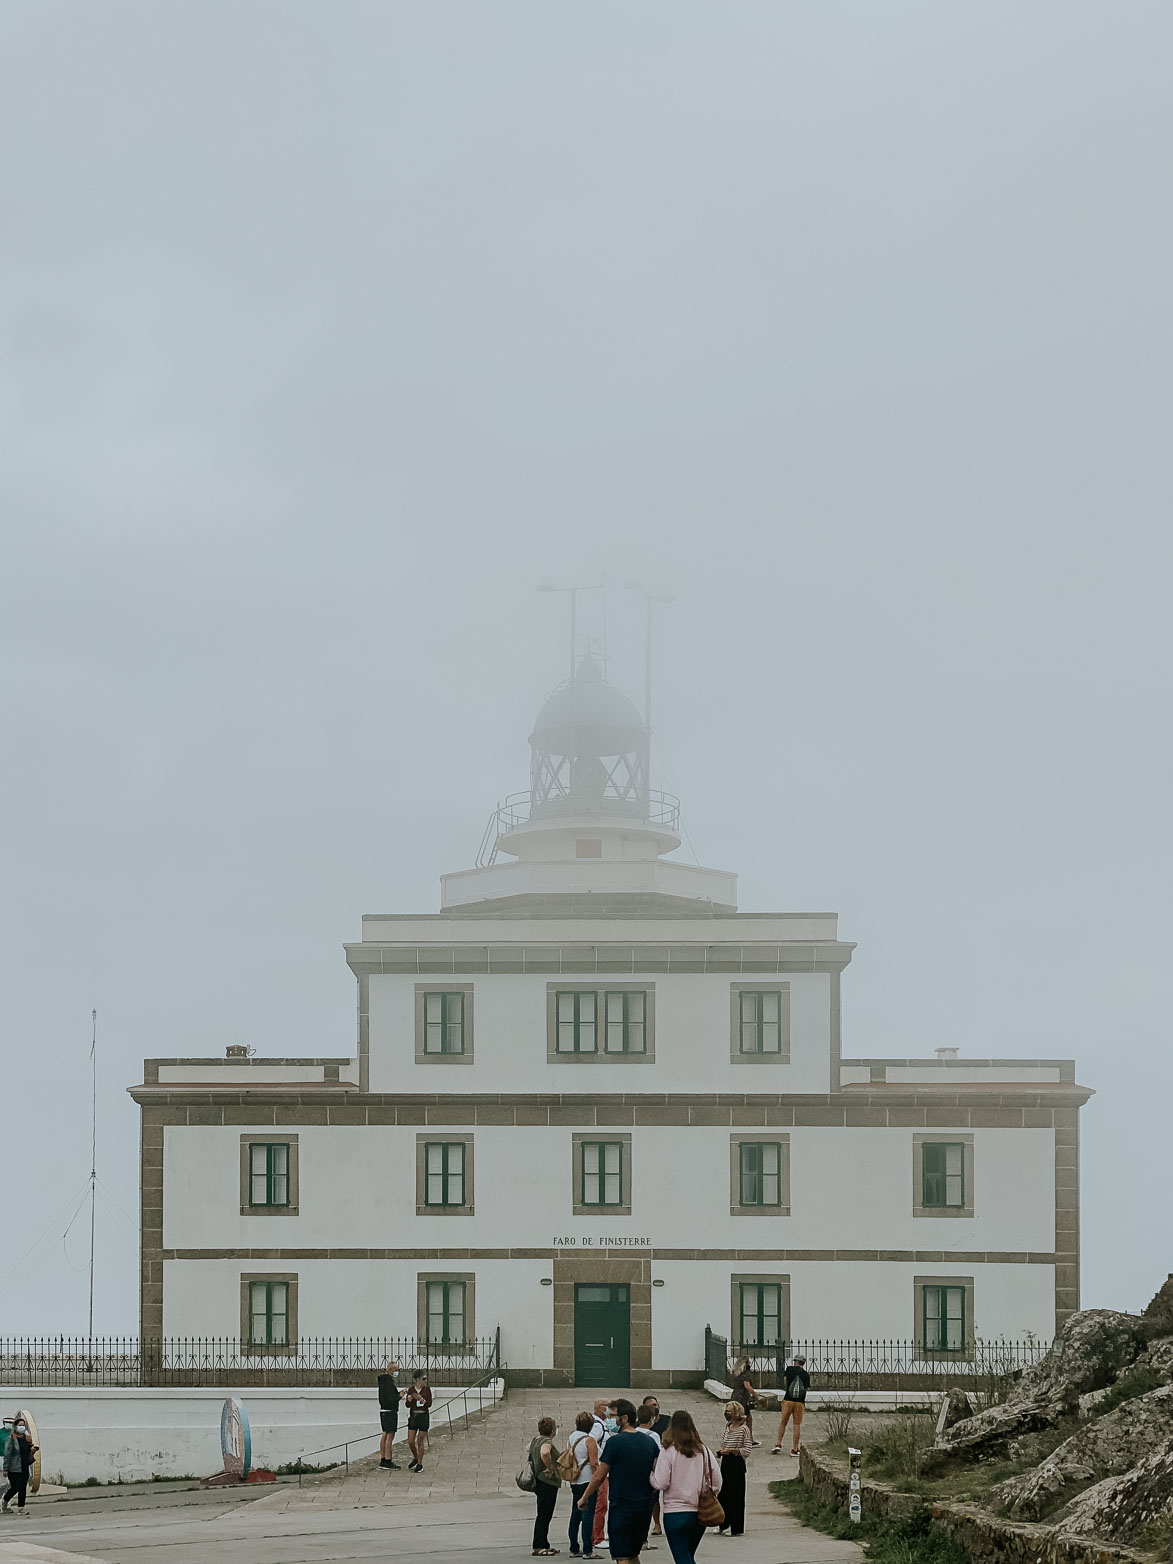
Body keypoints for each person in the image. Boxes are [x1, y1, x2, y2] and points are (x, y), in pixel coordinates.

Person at [577, 1399, 657, 1564]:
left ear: (625, 1418)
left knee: (622, 1555)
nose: (609, 1420)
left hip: (622, 1507)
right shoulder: (649, 1442)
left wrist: (584, 1497)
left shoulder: (615, 1442)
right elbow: (658, 1472)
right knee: (634, 1554)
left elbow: (599, 1475)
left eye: (612, 1416)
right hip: (643, 1506)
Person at [651, 1410, 721, 1564]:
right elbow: (717, 1481)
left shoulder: (668, 1451)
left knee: (682, 1557)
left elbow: (661, 1483)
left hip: (675, 1512)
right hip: (699, 1512)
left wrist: (651, 1476)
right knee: (688, 1555)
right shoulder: (704, 1451)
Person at [567, 1410, 602, 1559]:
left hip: (575, 1480)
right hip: (587, 1480)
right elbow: (594, 1463)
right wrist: (597, 1482)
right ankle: (588, 1549)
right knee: (588, 1515)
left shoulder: (572, 1437)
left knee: (575, 1513)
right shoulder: (590, 1440)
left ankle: (574, 1546)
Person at [715, 1403, 751, 1537]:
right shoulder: (728, 1426)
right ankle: (723, 1524)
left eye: (729, 1411)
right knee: (723, 1495)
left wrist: (731, 1450)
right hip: (726, 1463)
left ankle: (736, 1527)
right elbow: (724, 1442)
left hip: (737, 1464)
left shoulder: (744, 1429)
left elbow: (747, 1450)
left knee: (736, 1497)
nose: (727, 1414)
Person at [529, 1415, 562, 1556]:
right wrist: (550, 1467)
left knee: (543, 1513)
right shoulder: (547, 1442)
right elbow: (545, 1452)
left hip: (539, 1481)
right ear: (552, 1430)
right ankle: (539, 1545)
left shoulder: (536, 1440)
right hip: (547, 1482)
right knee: (544, 1514)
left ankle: (544, 1543)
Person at [772, 1356, 810, 1456]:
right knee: (796, 1425)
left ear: (796, 1362)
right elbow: (806, 1388)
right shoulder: (806, 1375)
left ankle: (778, 1444)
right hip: (800, 1402)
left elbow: (785, 1380)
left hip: (788, 1400)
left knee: (783, 1422)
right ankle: (794, 1449)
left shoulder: (789, 1369)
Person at [635, 1407, 663, 1543]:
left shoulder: (632, 1433)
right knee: (648, 1507)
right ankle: (643, 1539)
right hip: (648, 1476)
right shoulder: (653, 1436)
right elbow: (657, 1458)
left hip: (635, 1476)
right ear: (652, 1419)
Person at [590, 1399, 614, 1551]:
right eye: (609, 1407)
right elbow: (590, 1442)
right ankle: (597, 1537)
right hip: (601, 1470)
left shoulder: (600, 1424)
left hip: (603, 1469)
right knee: (601, 1504)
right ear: (601, 1408)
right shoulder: (597, 1426)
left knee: (601, 1504)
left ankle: (598, 1533)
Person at [2, 1415, 37, 1516]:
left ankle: (21, 1508)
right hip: (14, 1467)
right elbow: (7, 1454)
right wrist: (6, 1468)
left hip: (24, 1465)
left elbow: (29, 1449)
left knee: (23, 1487)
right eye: (20, 1425)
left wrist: (33, 1450)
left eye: (24, 1425)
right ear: (15, 1427)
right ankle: (5, 1501)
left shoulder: (27, 1438)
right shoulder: (11, 1438)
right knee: (16, 1486)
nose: (22, 1427)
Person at [405, 1369, 433, 1472]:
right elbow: (407, 1405)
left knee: (420, 1441)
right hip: (414, 1416)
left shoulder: (427, 1390)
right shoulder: (411, 1389)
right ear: (417, 1379)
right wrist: (409, 1400)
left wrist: (421, 1399)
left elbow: (429, 1404)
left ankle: (420, 1463)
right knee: (411, 1441)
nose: (425, 1381)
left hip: (423, 1416)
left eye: (426, 1379)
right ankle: (416, 1457)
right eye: (423, 1379)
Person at [377, 1360, 402, 1470]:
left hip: (383, 1411)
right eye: (396, 1370)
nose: (398, 1372)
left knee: (384, 1434)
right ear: (391, 1370)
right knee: (390, 1436)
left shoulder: (382, 1382)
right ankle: (388, 1460)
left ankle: (383, 1458)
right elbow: (392, 1398)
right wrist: (400, 1395)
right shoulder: (388, 1382)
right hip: (390, 1411)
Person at [728, 1360, 759, 1446]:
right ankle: (748, 1440)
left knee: (739, 1418)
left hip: (735, 1396)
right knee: (745, 1419)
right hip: (742, 1399)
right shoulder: (745, 1376)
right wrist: (757, 1396)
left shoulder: (736, 1374)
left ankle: (744, 1439)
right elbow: (748, 1387)